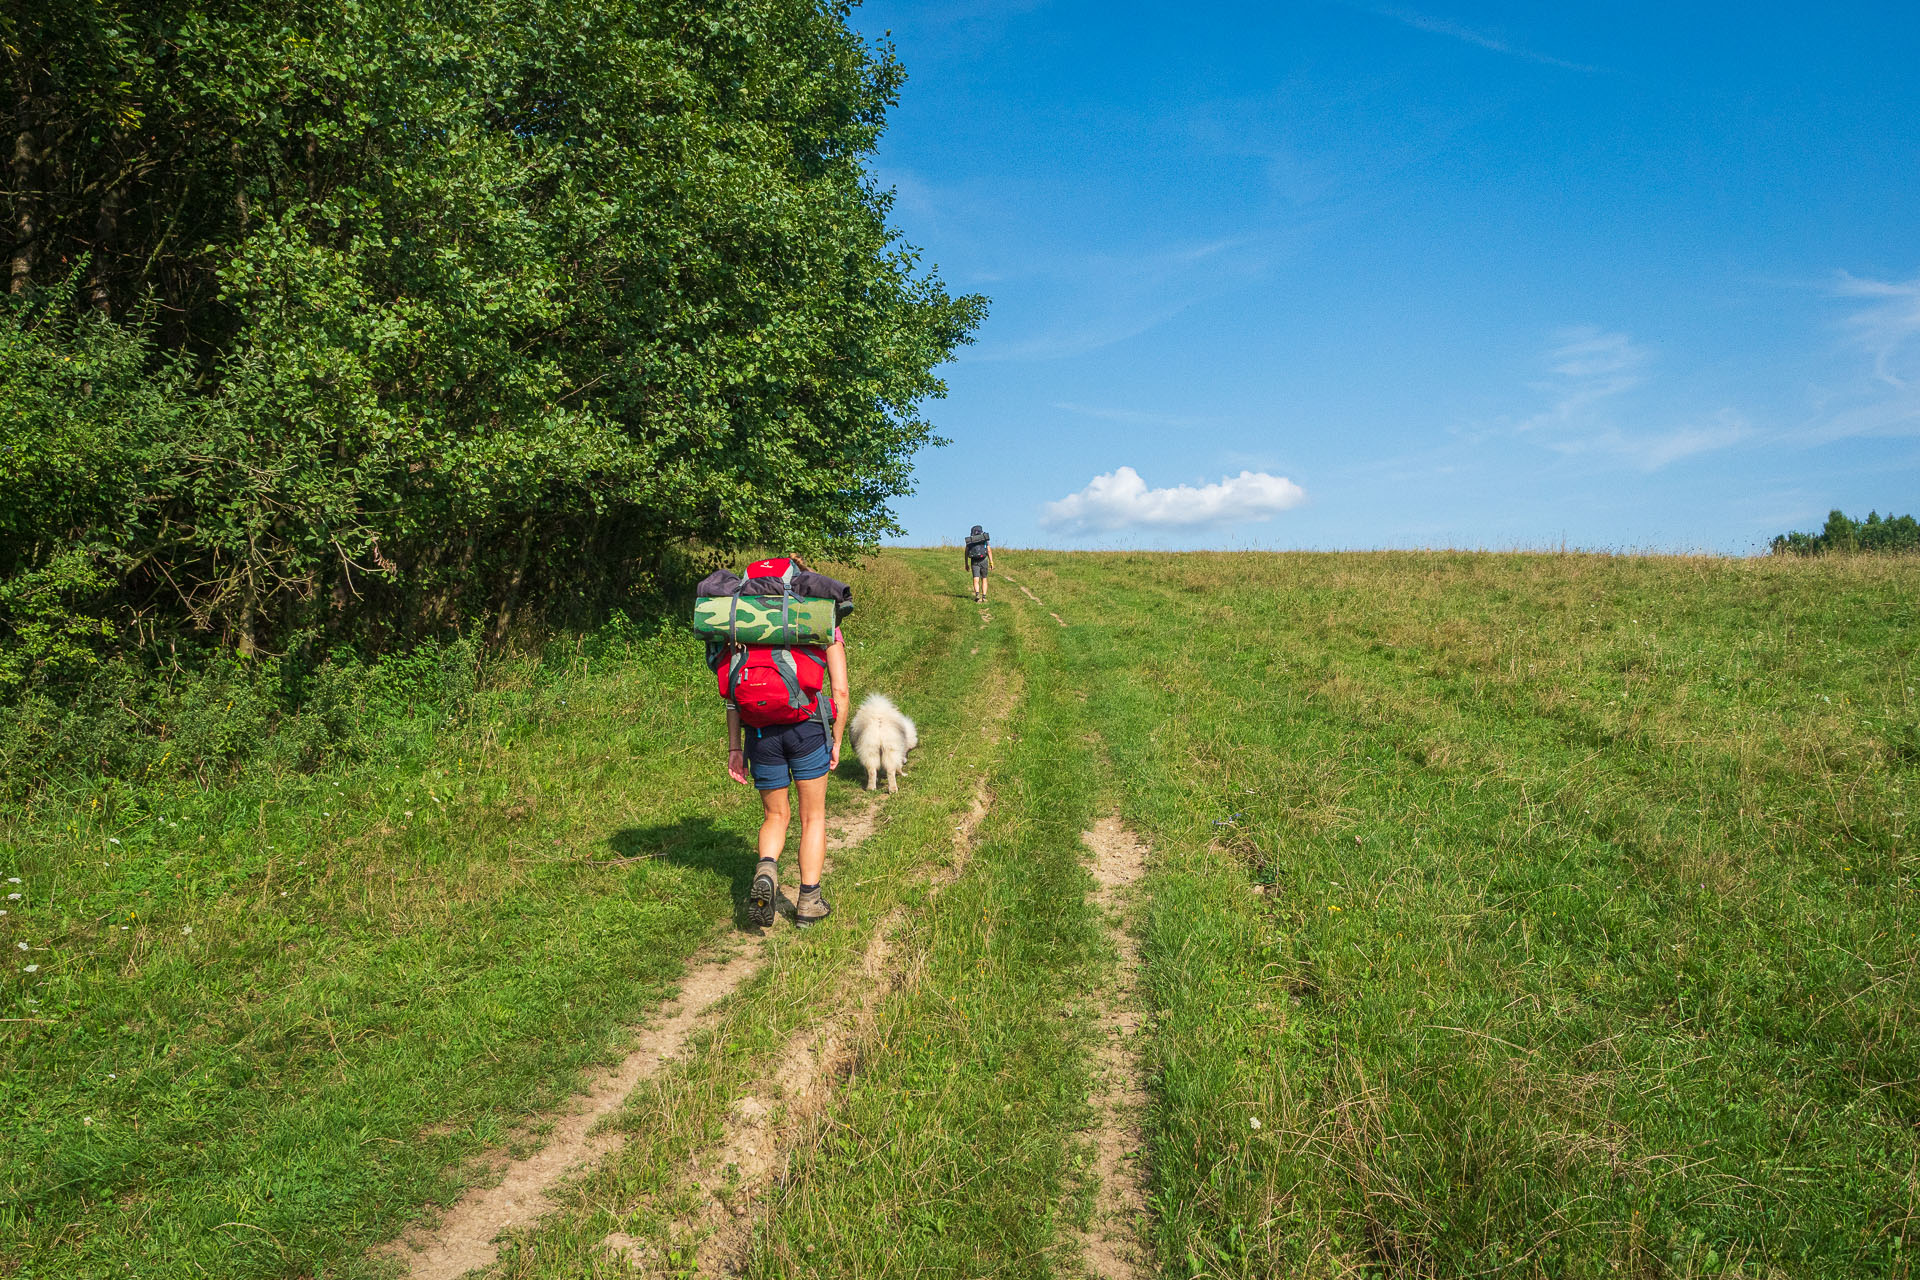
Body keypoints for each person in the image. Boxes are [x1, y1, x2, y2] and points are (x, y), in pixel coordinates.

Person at [725, 626, 849, 928]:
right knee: (813, 817)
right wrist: (838, 739)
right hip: (807, 728)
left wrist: (734, 747)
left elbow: (731, 696)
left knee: (775, 816)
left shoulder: (745, 620)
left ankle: (766, 870)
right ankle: (809, 901)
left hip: (760, 731)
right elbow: (841, 690)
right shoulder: (820, 619)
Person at [964, 524, 994, 603]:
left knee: (976, 578)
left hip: (974, 561)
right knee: (984, 578)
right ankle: (984, 597)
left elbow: (966, 552)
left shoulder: (970, 540)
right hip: (984, 560)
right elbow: (989, 551)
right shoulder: (984, 539)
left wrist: (966, 563)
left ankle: (977, 595)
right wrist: (991, 562)